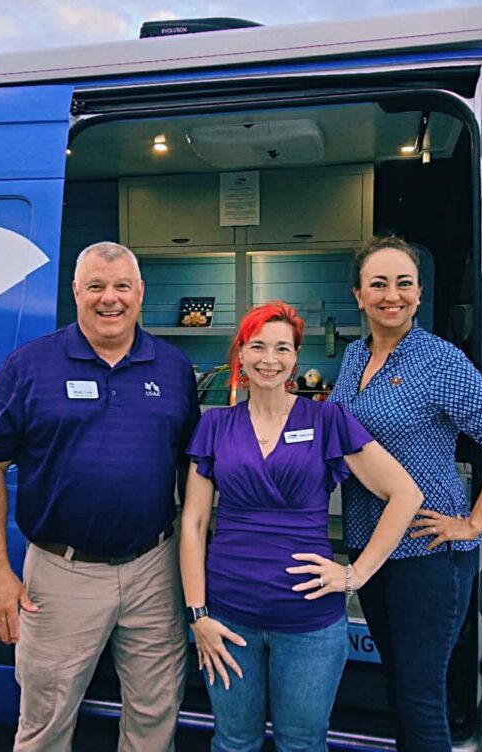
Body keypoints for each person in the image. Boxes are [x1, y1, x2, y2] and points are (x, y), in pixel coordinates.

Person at [0, 241, 199, 752]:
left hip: (154, 569)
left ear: (140, 292)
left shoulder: (174, 369)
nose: (109, 298)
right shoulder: (30, 365)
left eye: (121, 287)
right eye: (96, 286)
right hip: (61, 572)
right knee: (45, 723)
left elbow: (195, 472)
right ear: (76, 291)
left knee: (155, 715)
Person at [179, 300, 424, 752]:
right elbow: (193, 523)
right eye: (258, 346)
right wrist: (197, 615)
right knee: (233, 742)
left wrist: (355, 574)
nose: (269, 359)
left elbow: (406, 494)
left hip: (309, 621)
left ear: (295, 357)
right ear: (241, 353)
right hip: (228, 616)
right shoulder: (215, 425)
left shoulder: (327, 419)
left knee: (302, 745)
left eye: (282, 348)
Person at [329, 235, 482, 752]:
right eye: (378, 284)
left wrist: (473, 522)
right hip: (370, 548)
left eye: (404, 283)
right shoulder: (353, 357)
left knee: (420, 700)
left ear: (419, 294)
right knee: (398, 687)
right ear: (359, 296)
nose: (391, 295)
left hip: (427, 553)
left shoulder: (439, 361)